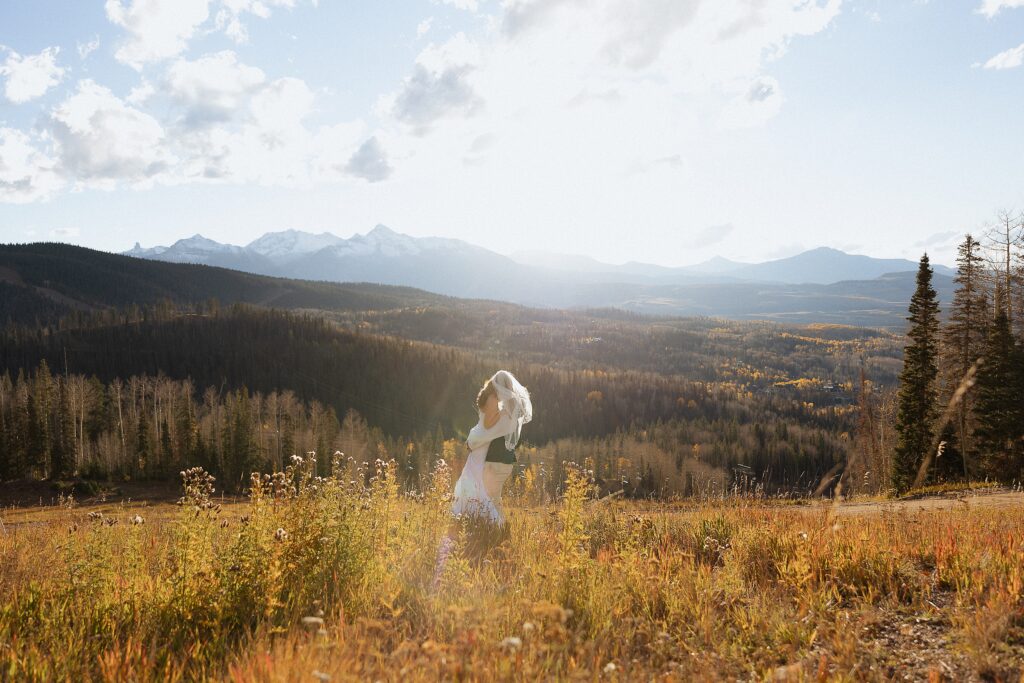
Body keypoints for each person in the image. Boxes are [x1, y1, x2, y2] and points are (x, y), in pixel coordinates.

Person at [432, 370, 532, 590]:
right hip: (485, 454)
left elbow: (486, 429)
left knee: (482, 495)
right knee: (483, 495)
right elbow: (488, 427)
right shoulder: (497, 403)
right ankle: (491, 533)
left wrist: (472, 441)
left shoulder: (496, 402)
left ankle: (491, 533)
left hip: (484, 454)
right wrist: (476, 439)